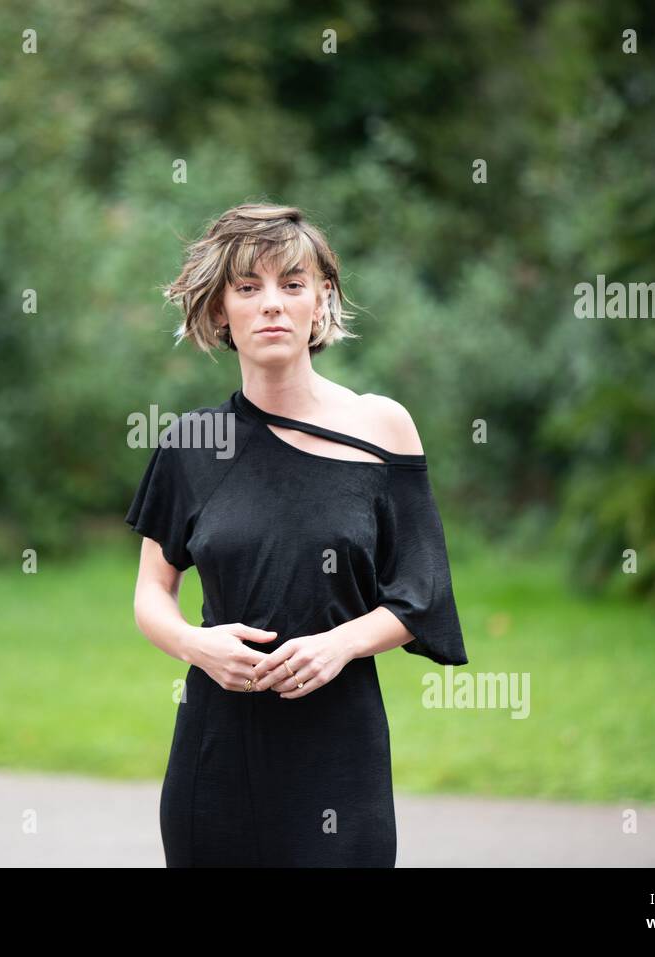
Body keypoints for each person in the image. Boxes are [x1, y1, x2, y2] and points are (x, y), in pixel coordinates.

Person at [126, 202, 468, 867]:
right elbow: (150, 594)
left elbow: (420, 591)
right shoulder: (193, 442)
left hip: (337, 753)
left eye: (292, 283)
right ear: (221, 311)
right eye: (248, 288)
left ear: (323, 301)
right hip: (216, 753)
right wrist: (198, 645)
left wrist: (339, 645)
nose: (272, 304)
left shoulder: (382, 426)